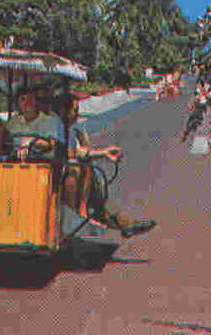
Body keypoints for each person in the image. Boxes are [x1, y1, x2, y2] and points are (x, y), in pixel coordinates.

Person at [57, 93, 157, 239]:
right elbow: (73, 154)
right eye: (75, 110)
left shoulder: (71, 131)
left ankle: (124, 223)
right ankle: (88, 215)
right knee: (90, 181)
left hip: (72, 176)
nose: (77, 114)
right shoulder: (58, 129)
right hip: (64, 176)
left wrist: (104, 153)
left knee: (97, 193)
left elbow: (80, 152)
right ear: (63, 111)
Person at [6, 86, 66, 161]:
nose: (27, 102)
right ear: (18, 104)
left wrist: (31, 141)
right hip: (16, 163)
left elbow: (51, 144)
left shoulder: (49, 120)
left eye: (30, 98)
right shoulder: (13, 122)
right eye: (23, 99)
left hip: (41, 163)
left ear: (36, 101)